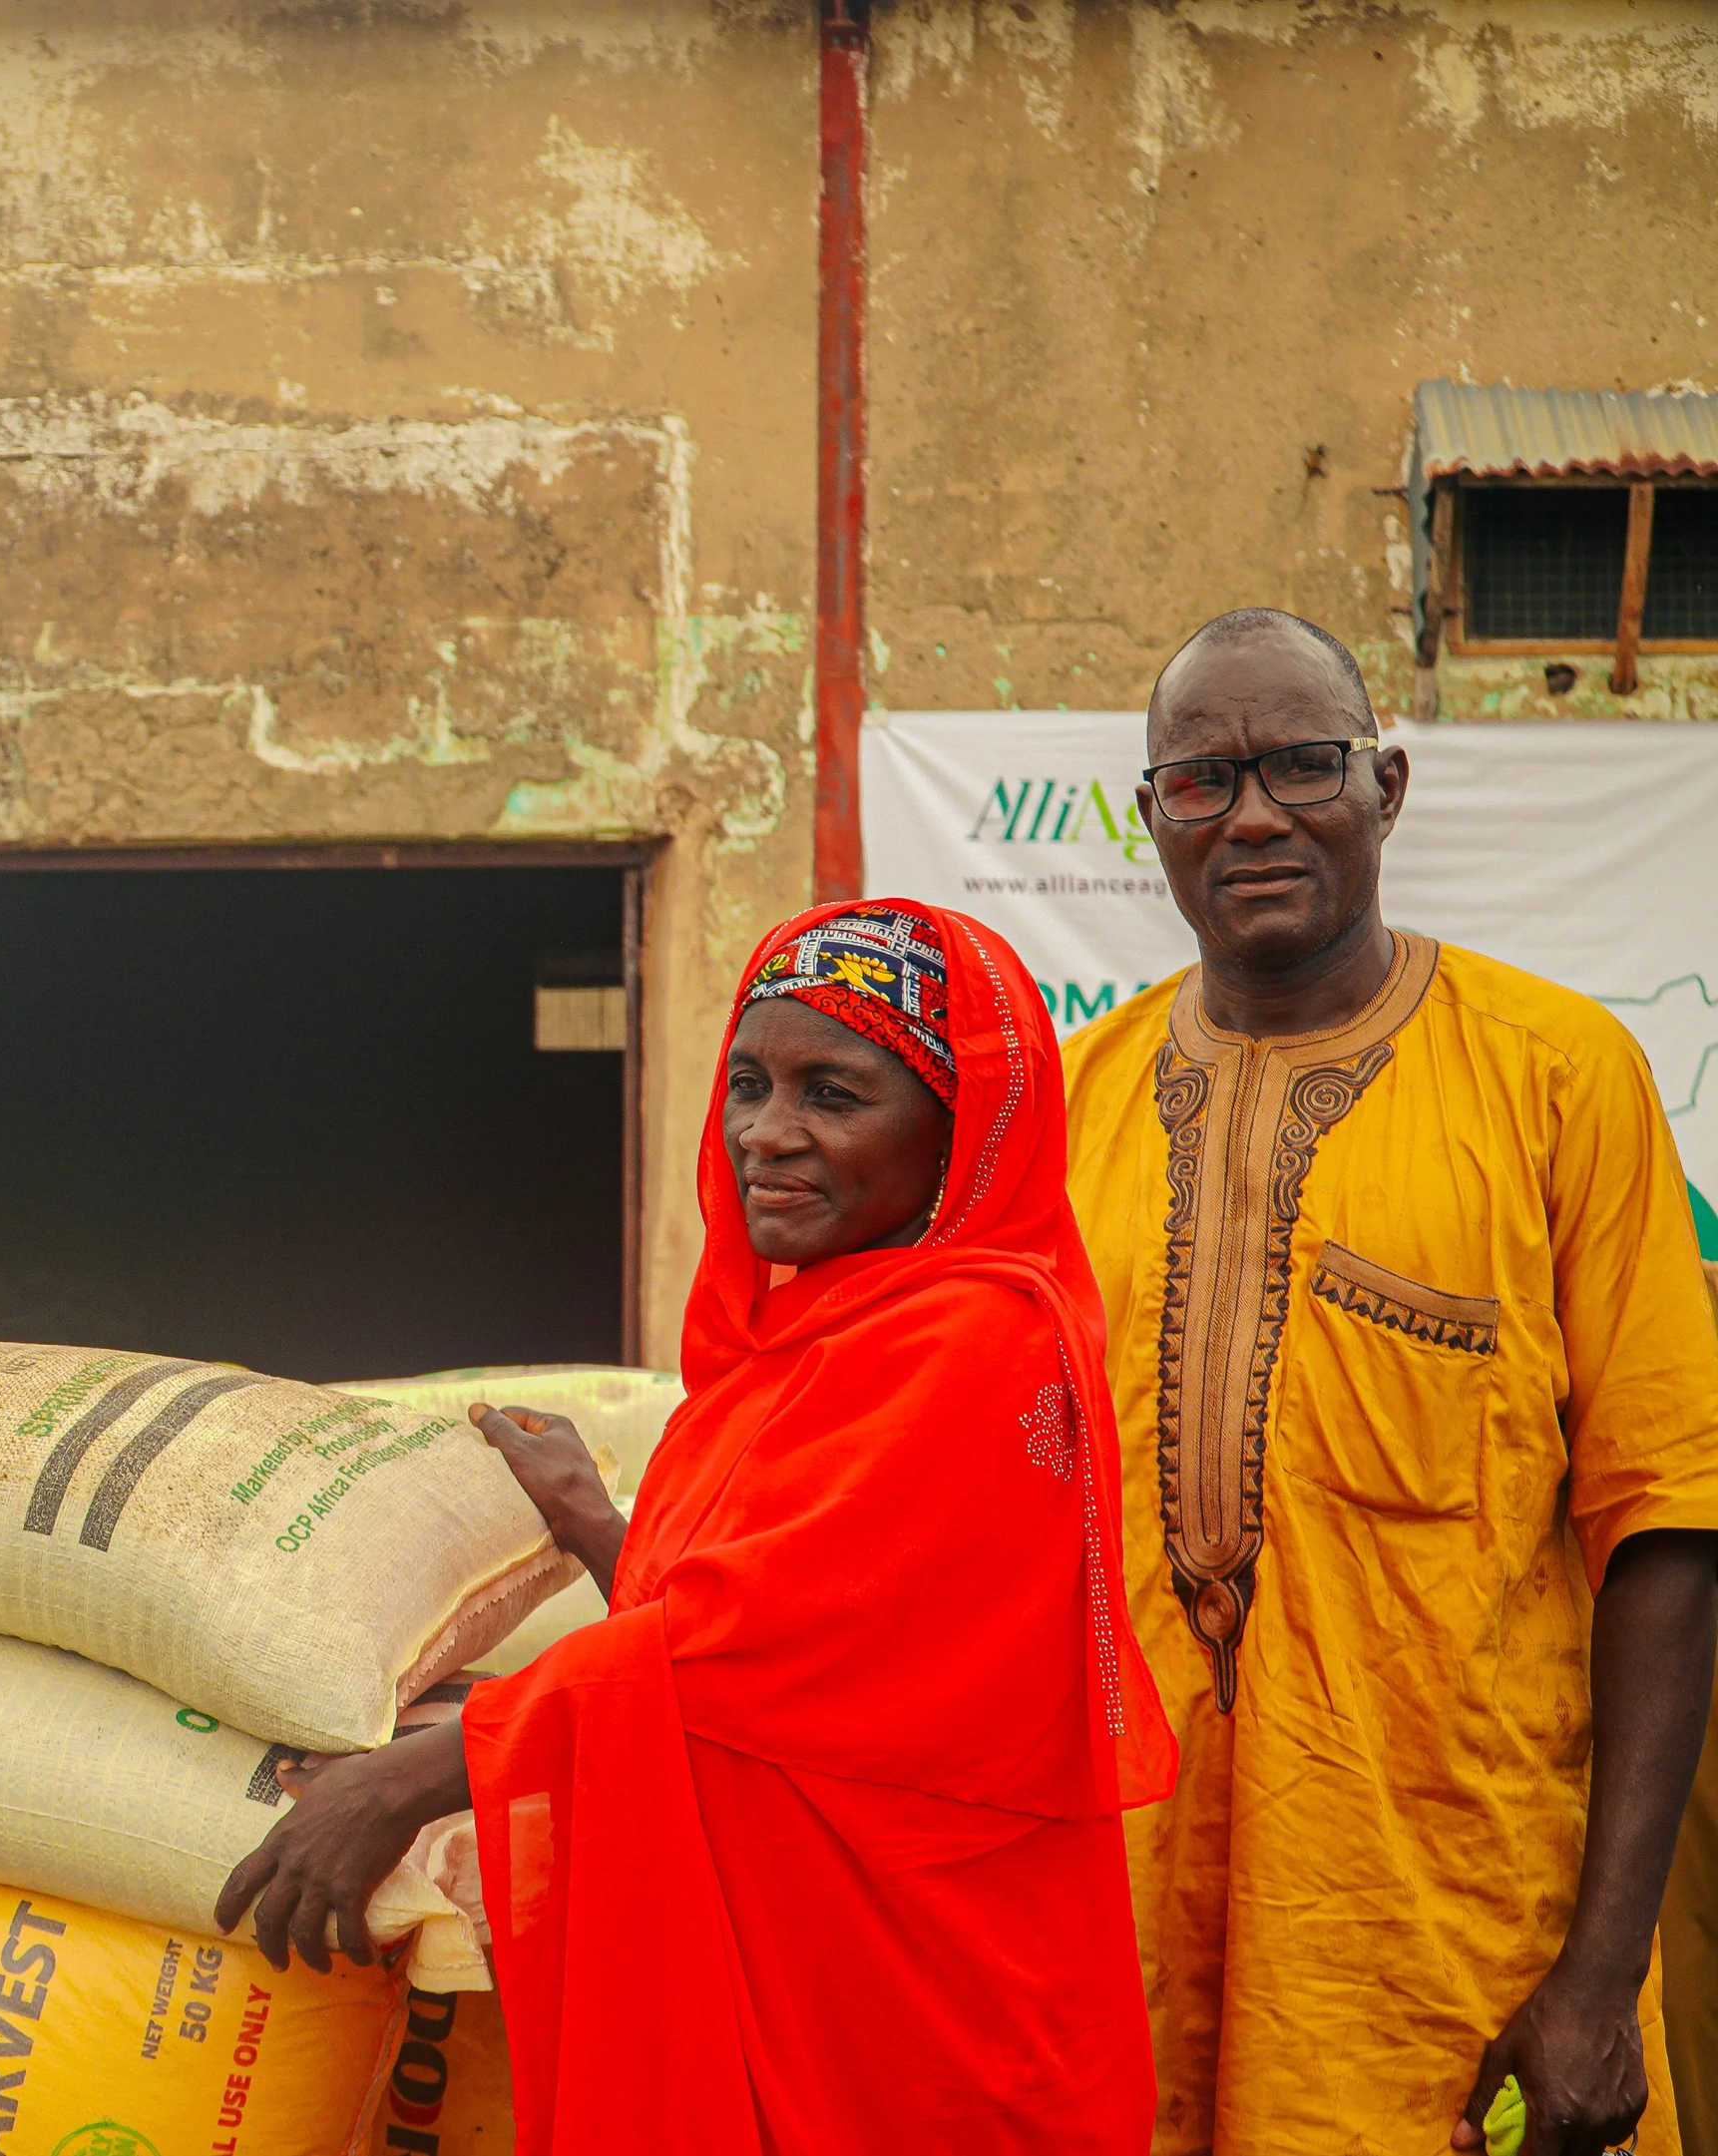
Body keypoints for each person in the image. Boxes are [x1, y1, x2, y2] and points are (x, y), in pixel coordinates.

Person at [218, 899, 1176, 2152]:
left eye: (834, 1094)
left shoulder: (977, 1342)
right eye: (748, 1083)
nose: (768, 1135)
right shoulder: (815, 1342)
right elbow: (785, 1660)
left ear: (960, 1133)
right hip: (824, 1978)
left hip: (915, 2032)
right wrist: (589, 1520)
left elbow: (740, 1643)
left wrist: (399, 1785)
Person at [1063, 608, 1718, 2156]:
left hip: (1449, 1940)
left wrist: (1600, 1978)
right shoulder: (1075, 1104)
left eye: (1305, 764)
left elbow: (1670, 1525)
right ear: (1149, 817)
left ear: (1389, 787)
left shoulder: (1559, 1077)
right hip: (1119, 1932)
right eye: (1204, 780)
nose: (1258, 813)